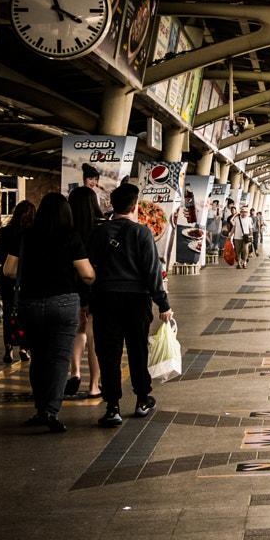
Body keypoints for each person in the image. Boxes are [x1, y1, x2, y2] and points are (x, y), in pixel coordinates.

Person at [0, 193, 92, 433]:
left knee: (38, 358)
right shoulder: (72, 238)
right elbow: (87, 274)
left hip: (30, 304)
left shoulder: (26, 236)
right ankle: (50, 411)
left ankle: (41, 409)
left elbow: (8, 270)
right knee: (59, 360)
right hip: (63, 304)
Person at [86, 182, 174, 428]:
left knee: (108, 353)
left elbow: (87, 270)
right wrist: (163, 304)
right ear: (135, 206)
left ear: (111, 206)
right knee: (138, 350)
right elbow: (152, 273)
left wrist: (87, 300)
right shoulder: (142, 233)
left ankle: (112, 407)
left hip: (105, 300)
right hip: (136, 300)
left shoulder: (97, 234)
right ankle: (142, 400)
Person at [67, 186, 104, 396]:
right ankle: (94, 386)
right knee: (93, 334)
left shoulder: (67, 230)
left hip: (72, 286)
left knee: (77, 330)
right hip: (95, 285)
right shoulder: (101, 228)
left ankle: (75, 373)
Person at [0, 199, 37, 363]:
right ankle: (24, 348)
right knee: (25, 315)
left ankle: (8, 349)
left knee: (8, 314)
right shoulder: (34, 233)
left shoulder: (5, 232)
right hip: (27, 281)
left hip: (7, 280)